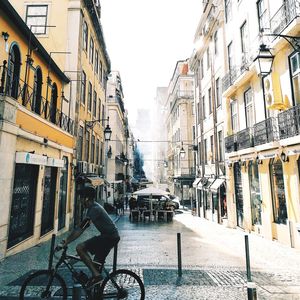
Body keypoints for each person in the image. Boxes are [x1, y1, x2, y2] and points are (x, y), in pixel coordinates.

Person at [57, 186, 120, 288]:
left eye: (81, 198)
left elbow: (81, 228)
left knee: (80, 247)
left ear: (86, 198)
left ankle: (97, 276)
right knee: (95, 266)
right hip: (110, 237)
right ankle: (97, 290)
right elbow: (80, 227)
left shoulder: (95, 209)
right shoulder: (93, 208)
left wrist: (66, 241)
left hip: (109, 237)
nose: (80, 201)